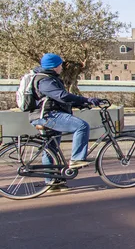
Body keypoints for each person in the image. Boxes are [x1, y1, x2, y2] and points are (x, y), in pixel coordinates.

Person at [29, 53, 101, 192]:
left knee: (51, 149)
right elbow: (61, 96)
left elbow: (57, 100)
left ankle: (52, 183)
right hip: (49, 116)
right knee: (81, 126)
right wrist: (85, 99)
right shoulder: (45, 80)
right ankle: (76, 159)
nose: (62, 67)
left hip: (48, 114)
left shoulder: (49, 78)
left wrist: (81, 105)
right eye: (60, 64)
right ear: (54, 66)